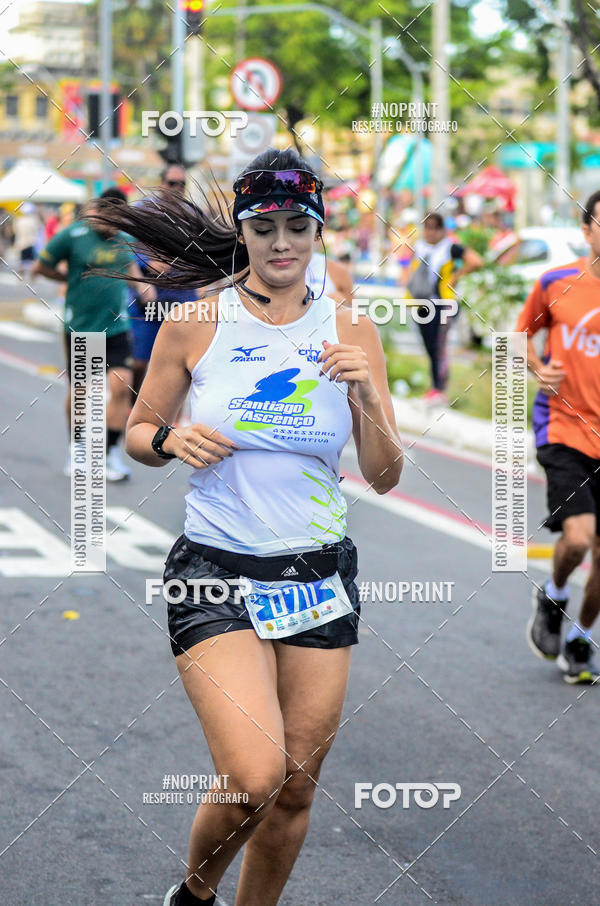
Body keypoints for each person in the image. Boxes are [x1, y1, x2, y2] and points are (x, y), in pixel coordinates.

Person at [90, 147, 403, 906]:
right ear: (245, 229)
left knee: (294, 788)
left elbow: (387, 472)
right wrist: (170, 441)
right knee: (255, 776)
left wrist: (365, 397)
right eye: (266, 227)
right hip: (216, 568)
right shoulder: (198, 322)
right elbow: (139, 432)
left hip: (317, 575)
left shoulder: (353, 329)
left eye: (300, 225)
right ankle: (194, 895)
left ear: (320, 231)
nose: (283, 242)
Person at [520, 189, 600, 683]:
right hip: (564, 428)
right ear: (587, 227)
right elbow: (518, 335)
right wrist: (535, 366)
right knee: (579, 536)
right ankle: (555, 592)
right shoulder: (556, 282)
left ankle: (579, 638)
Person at [32, 187, 155, 481]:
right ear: (98, 213)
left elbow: (133, 274)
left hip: (116, 326)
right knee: (81, 392)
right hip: (81, 326)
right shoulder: (73, 236)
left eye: (119, 222)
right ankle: (77, 449)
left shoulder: (125, 241)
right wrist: (68, 277)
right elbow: (41, 267)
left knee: (122, 386)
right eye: (108, 220)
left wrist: (145, 290)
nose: (112, 227)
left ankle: (111, 452)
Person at [128, 164, 193, 399]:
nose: (177, 189)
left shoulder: (193, 214)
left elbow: (204, 250)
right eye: (172, 183)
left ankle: (168, 417)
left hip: (183, 298)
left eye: (182, 184)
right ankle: (134, 401)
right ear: (161, 183)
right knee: (139, 362)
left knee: (182, 362)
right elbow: (126, 245)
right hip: (148, 299)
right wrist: (147, 263)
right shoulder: (143, 210)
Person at [404, 211, 482, 404]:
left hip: (443, 305)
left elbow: (476, 261)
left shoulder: (451, 248)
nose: (430, 232)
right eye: (427, 228)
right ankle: (434, 387)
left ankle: (440, 389)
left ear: (441, 230)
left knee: (439, 347)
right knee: (430, 347)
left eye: (434, 228)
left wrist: (456, 276)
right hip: (422, 304)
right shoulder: (420, 247)